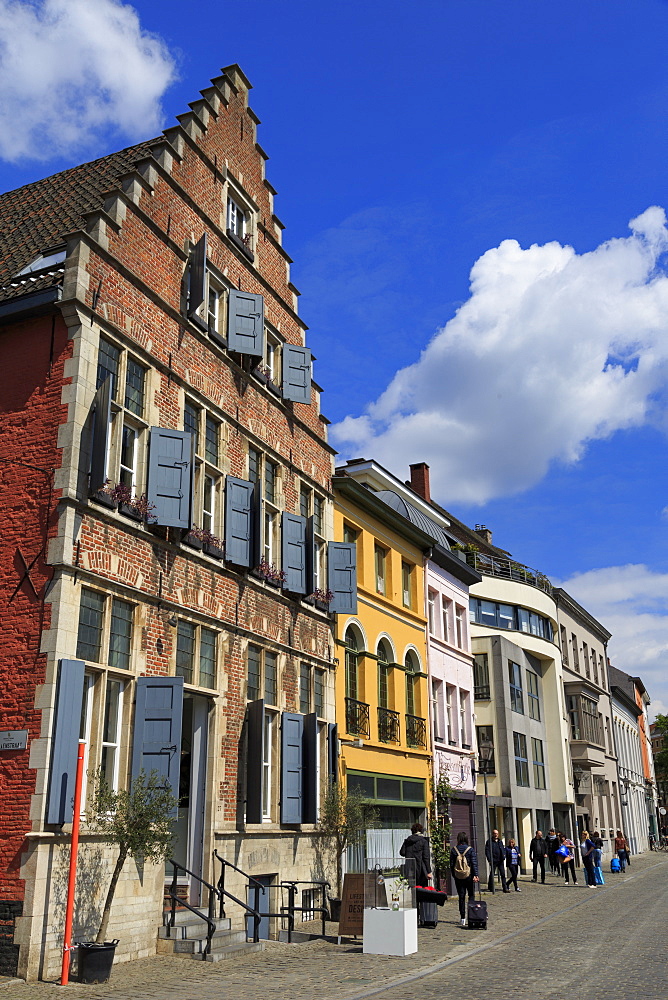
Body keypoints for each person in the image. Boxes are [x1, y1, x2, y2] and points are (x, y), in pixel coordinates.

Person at [450, 831, 479, 928]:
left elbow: (451, 865)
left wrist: (454, 875)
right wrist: (476, 875)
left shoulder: (454, 850)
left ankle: (462, 918)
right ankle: (471, 915)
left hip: (458, 877)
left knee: (461, 896)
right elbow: (474, 863)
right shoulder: (470, 850)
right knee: (471, 895)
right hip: (469, 876)